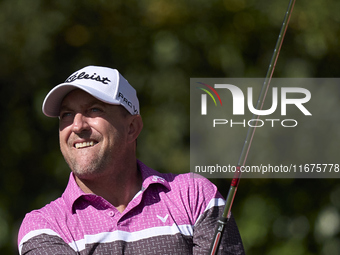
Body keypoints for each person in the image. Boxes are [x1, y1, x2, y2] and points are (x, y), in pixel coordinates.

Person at [18, 65, 245, 255]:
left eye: (94, 110)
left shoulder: (193, 196)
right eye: (66, 115)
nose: (77, 126)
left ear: (132, 128)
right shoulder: (44, 227)